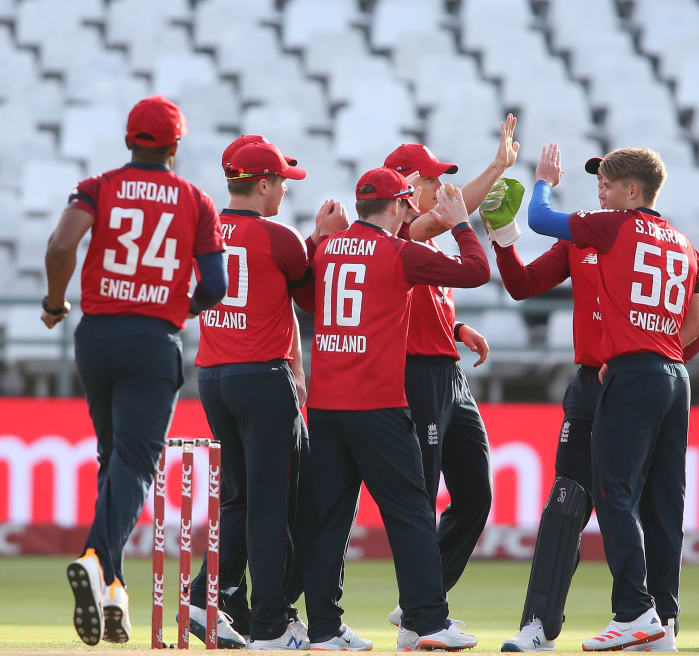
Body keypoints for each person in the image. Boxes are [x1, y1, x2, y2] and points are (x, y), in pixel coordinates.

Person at [491, 164, 699, 652]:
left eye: (607, 181)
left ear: (632, 189)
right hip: (604, 383)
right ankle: (539, 628)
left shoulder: (612, 228)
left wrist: (639, 358)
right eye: (596, 180)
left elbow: (696, 327)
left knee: (644, 502)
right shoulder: (601, 236)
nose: (599, 187)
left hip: (626, 379)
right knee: (572, 499)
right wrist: (503, 241)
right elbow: (523, 285)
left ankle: (654, 619)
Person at [41, 95, 227, 645]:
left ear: (129, 141)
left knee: (113, 458)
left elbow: (59, 245)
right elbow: (214, 288)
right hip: (152, 341)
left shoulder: (98, 187)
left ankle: (114, 589)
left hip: (96, 338)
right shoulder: (195, 200)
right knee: (138, 462)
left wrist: (55, 305)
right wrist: (176, 308)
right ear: (175, 145)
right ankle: (98, 559)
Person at [296, 168, 488, 651]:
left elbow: (303, 294)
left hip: (325, 404)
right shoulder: (399, 252)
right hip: (377, 403)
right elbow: (476, 271)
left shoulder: (327, 249)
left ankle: (322, 628)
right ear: (401, 205)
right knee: (411, 513)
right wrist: (463, 224)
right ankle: (426, 621)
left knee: (328, 518)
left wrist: (314, 237)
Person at [184, 135, 353, 650]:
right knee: (270, 506)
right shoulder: (279, 238)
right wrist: (321, 242)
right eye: (279, 181)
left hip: (213, 378)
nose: (283, 190)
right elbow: (316, 297)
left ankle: (204, 598)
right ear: (261, 184)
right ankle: (270, 625)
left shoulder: (206, 230)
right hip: (261, 377)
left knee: (238, 500)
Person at [380, 114, 519, 625]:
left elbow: (419, 300)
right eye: (433, 179)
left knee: (475, 495)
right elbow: (440, 219)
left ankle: (420, 601)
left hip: (448, 371)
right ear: (409, 185)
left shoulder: (423, 242)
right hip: (418, 376)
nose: (442, 187)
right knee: (422, 494)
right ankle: (423, 612)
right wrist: (496, 167)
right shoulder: (404, 228)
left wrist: (457, 331)